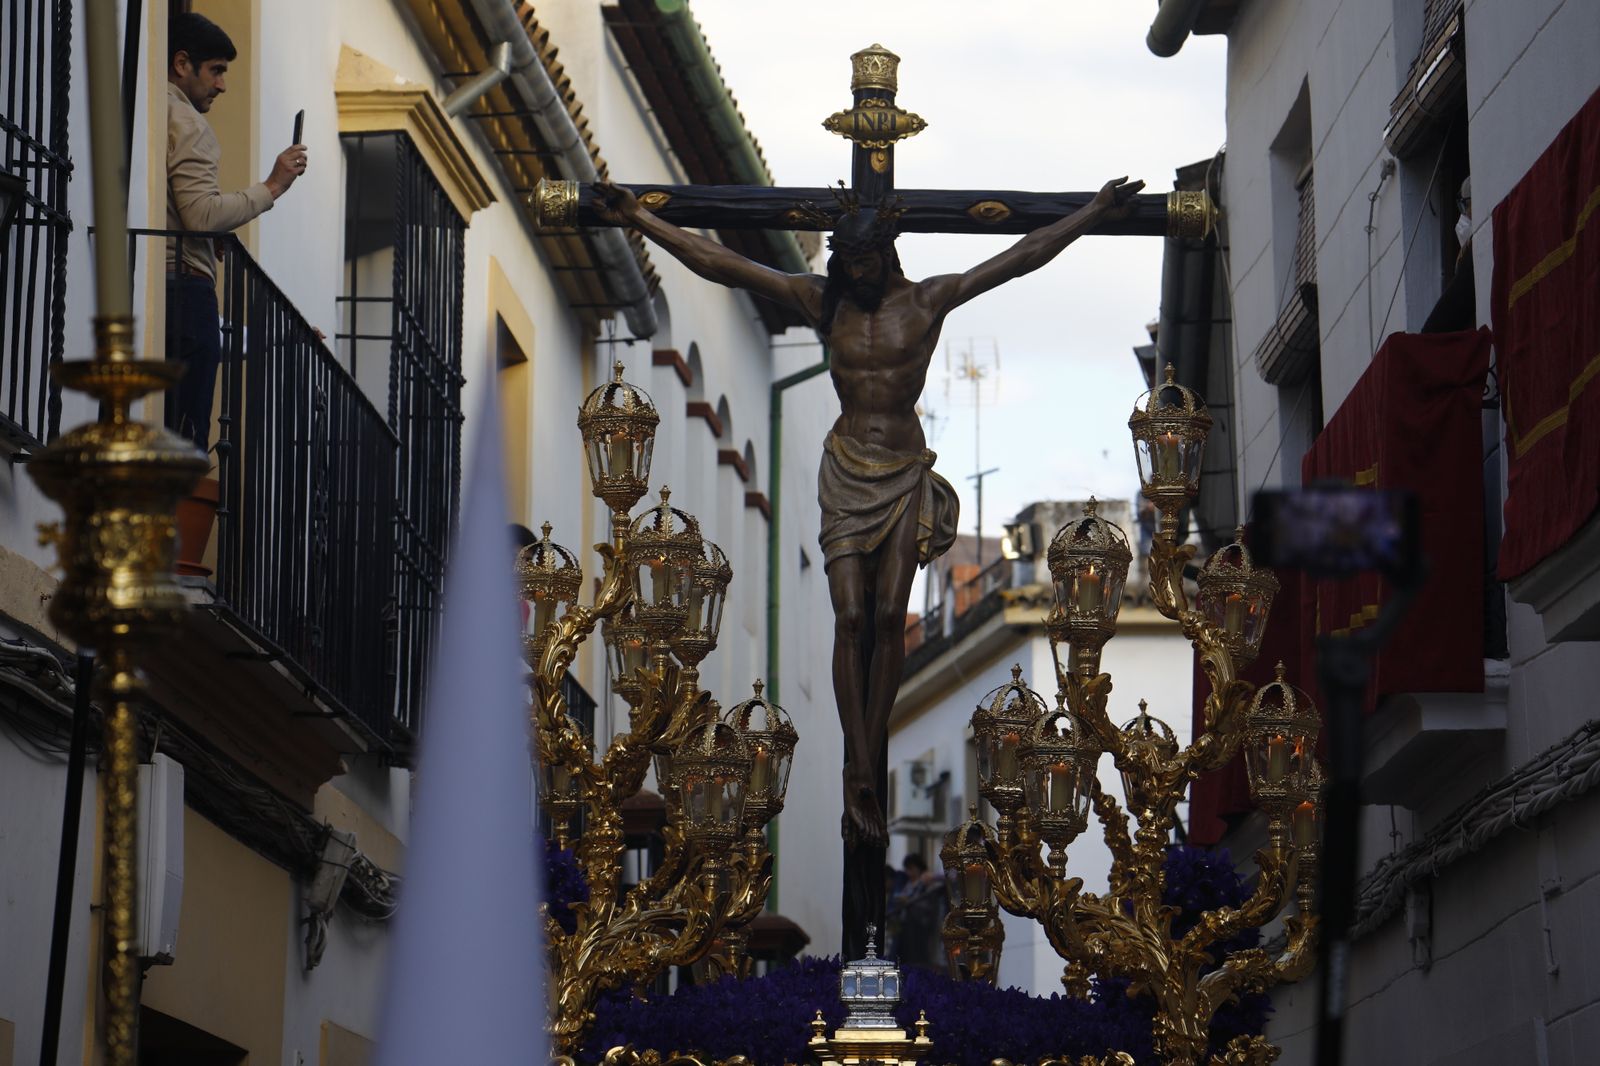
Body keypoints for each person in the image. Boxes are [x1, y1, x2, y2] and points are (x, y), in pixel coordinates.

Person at [595, 173, 1141, 955]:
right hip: (847, 468)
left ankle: (868, 751)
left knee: (889, 617)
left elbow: (1020, 257)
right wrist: (643, 221)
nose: (851, 274)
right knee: (850, 613)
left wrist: (1091, 212)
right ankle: (858, 755)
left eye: (861, 262)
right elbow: (722, 266)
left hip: (906, 471)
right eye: (842, 264)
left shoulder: (930, 300)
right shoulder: (824, 304)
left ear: (884, 252)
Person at [165, 12, 307, 452]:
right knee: (185, 442)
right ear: (182, 63)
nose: (223, 85)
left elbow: (182, 210)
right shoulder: (189, 125)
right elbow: (201, 215)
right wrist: (273, 186)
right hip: (187, 292)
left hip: (167, 288)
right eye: (217, 71)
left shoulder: (154, 111)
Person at [887, 853, 945, 967]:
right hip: (904, 927)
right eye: (907, 869)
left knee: (917, 961)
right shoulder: (908, 883)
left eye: (912, 869)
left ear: (919, 869)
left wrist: (908, 901)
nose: (909, 873)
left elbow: (929, 906)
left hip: (919, 929)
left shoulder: (925, 884)